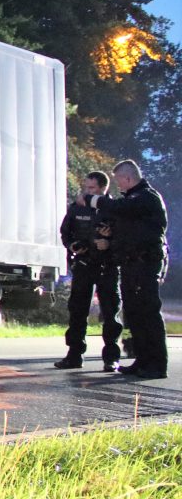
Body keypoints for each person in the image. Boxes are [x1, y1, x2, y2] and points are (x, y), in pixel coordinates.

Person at [82, 159, 169, 380]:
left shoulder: (146, 197)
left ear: (128, 178)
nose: (118, 185)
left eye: (119, 180)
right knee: (134, 314)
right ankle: (142, 359)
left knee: (148, 313)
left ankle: (157, 364)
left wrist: (93, 200)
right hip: (131, 264)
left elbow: (121, 209)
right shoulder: (132, 198)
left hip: (145, 263)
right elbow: (124, 221)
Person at [54, 171, 121, 370]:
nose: (87, 192)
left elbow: (126, 237)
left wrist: (109, 243)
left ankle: (111, 358)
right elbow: (65, 232)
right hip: (84, 264)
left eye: (92, 189)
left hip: (107, 265)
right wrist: (73, 246)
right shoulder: (76, 208)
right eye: (86, 188)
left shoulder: (114, 209)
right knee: (77, 310)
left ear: (103, 189)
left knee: (110, 312)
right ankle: (74, 355)